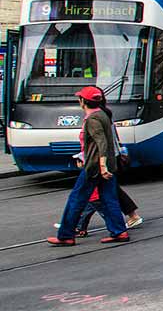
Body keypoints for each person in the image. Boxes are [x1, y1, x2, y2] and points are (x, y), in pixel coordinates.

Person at [47, 86, 130, 246]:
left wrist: (102, 166)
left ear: (83, 101)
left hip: (94, 167)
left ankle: (65, 236)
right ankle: (119, 231)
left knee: (76, 199)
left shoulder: (92, 119)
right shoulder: (103, 114)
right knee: (108, 199)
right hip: (106, 165)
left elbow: (102, 143)